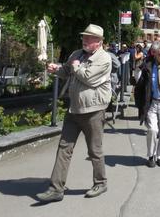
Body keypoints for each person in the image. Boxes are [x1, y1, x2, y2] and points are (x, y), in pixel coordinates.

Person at [37, 24, 112, 203]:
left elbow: (88, 77)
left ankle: (100, 182)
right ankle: (56, 189)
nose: (84, 40)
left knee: (95, 150)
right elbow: (67, 71)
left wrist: (76, 67)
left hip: (93, 111)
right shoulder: (76, 54)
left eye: (89, 37)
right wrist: (56, 69)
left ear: (99, 41)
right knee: (64, 148)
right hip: (74, 109)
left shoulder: (104, 59)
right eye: (84, 36)